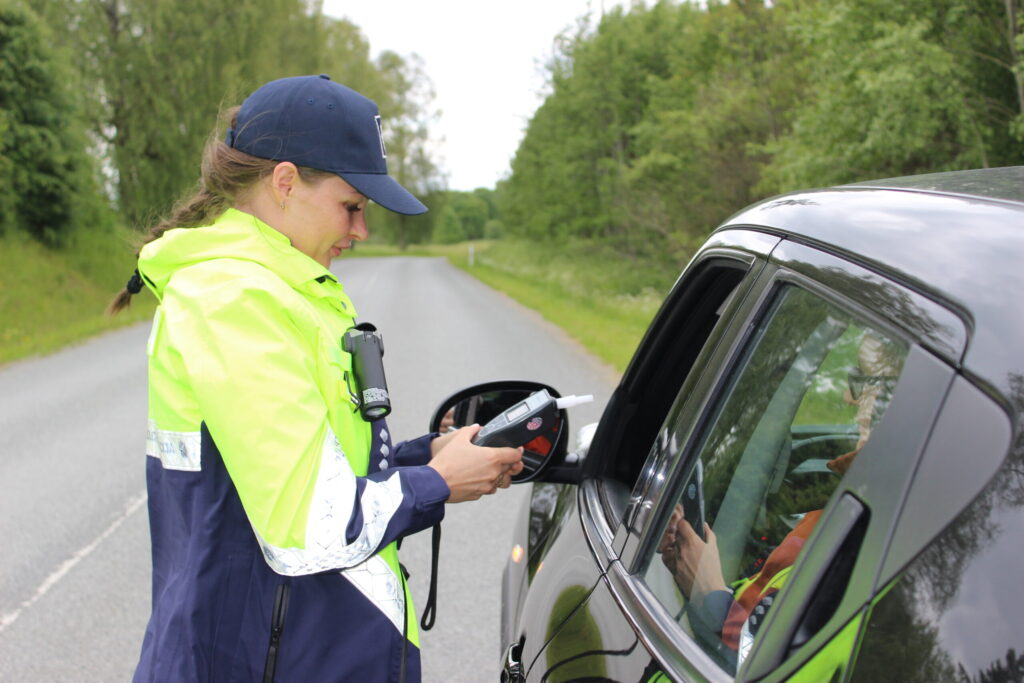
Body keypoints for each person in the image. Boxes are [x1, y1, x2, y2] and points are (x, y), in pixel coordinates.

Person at [110, 75, 524, 683]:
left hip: (297, 649)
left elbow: (307, 464)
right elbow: (309, 525)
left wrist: (423, 456)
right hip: (259, 661)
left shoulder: (287, 290)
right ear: (284, 183)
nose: (361, 231)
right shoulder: (237, 299)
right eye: (351, 206)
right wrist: (436, 482)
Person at [658, 333, 900, 659]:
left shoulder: (870, 543)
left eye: (865, 380)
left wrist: (711, 596)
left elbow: (762, 664)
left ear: (904, 402)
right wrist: (692, 573)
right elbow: (759, 621)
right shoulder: (861, 516)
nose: (849, 398)